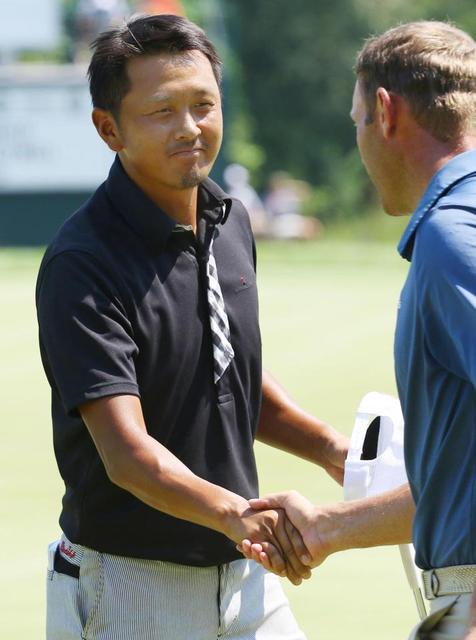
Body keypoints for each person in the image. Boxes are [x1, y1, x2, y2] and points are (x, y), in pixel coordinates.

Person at [36, 14, 348, 640]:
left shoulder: (227, 222)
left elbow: (228, 371)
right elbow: (127, 456)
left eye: (204, 104)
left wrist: (333, 451)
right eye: (162, 111)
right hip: (131, 589)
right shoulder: (82, 262)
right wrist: (240, 515)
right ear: (109, 129)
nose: (190, 128)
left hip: (242, 569)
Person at [241, 20, 476, 640]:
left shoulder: (452, 238)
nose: (360, 142)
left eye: (357, 123)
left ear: (385, 111)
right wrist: (327, 527)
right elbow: (458, 481)